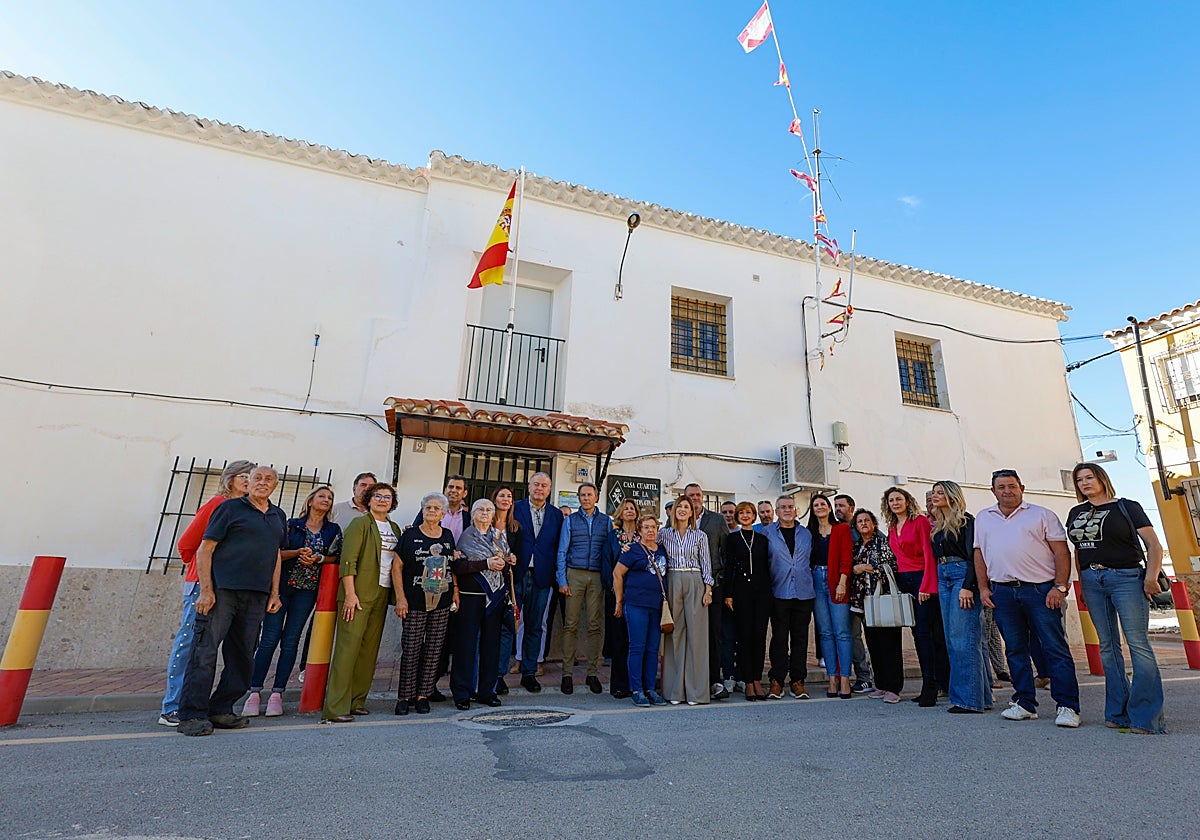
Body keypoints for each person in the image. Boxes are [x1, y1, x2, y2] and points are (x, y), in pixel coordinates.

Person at [177, 466, 285, 736]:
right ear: (247, 482)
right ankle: (192, 714)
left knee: (243, 656)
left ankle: (222, 709)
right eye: (256, 478)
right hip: (222, 591)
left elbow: (276, 556)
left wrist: (274, 593)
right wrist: (206, 590)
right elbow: (206, 548)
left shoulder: (278, 515)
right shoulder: (229, 508)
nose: (262, 483)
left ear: (275, 484)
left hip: (257, 595)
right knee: (205, 652)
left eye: (268, 479)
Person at [975, 469, 1080, 727]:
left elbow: (1061, 552)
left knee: (1054, 647)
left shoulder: (1042, 514)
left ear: (1022, 487)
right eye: (1001, 487)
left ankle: (1067, 706)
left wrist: (1060, 587)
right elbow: (979, 553)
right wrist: (983, 588)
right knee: (1015, 648)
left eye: (1012, 486)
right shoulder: (983, 517)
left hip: (1041, 591)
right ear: (993, 491)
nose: (1007, 491)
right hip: (1002, 591)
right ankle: (1024, 703)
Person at [1068, 462, 1166, 734]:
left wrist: (1150, 577)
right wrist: (1083, 584)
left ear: (1101, 479)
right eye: (1079, 480)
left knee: (1138, 645)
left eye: (1089, 477)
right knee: (1108, 648)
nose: (1085, 483)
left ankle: (1146, 718)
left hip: (1126, 578)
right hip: (1092, 580)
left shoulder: (1126, 506)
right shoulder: (1076, 512)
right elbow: (1078, 551)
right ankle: (1117, 713)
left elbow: (1154, 545)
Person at [159, 459, 254, 727]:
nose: (247, 480)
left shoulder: (248, 509)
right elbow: (188, 545)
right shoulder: (216, 504)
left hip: (228, 587)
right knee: (189, 644)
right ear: (230, 478)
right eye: (242, 476)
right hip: (203, 584)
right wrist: (201, 573)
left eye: (251, 475)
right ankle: (172, 706)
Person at [243, 485, 341, 718]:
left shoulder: (332, 529)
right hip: (282, 588)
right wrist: (298, 552)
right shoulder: (291, 525)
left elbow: (336, 556)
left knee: (290, 642)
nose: (326, 500)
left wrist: (318, 558)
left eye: (329, 498)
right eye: (322, 496)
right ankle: (254, 691)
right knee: (269, 639)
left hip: (307, 592)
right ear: (310, 501)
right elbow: (275, 552)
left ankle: (277, 693)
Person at [322, 482, 402, 723]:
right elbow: (348, 560)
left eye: (387, 497)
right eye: (377, 496)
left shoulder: (395, 528)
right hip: (357, 595)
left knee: (368, 651)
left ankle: (357, 700)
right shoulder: (360, 523)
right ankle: (336, 707)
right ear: (368, 499)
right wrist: (349, 594)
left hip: (381, 593)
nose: (382, 500)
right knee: (348, 650)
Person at [883, 486, 948, 707]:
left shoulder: (919, 522)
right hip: (904, 581)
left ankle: (932, 684)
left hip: (922, 579)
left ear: (907, 501)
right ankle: (929, 682)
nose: (895, 503)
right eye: (891, 500)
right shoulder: (892, 526)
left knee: (925, 633)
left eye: (898, 499)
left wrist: (927, 586)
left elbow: (929, 556)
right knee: (917, 633)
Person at [393, 492, 457, 716]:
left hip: (441, 601)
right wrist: (400, 598)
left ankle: (423, 694)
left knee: (433, 648)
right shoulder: (410, 536)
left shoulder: (448, 535)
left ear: (443, 513)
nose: (432, 511)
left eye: (436, 508)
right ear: (423, 510)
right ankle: (405, 696)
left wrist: (455, 593)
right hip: (414, 601)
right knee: (411, 647)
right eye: (428, 507)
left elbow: (451, 567)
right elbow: (397, 567)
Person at [929, 480, 990, 714]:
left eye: (940, 492)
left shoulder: (967, 521)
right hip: (943, 576)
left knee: (964, 638)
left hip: (961, 576)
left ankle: (967, 700)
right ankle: (979, 697)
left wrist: (968, 585)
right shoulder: (938, 525)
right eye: (934, 492)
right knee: (953, 639)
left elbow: (975, 555)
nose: (935, 496)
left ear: (952, 495)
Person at [451, 498, 512, 711]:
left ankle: (487, 691)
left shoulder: (498, 536)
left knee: (491, 646)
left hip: (495, 598)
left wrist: (507, 562)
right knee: (466, 645)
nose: (485, 513)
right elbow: (459, 566)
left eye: (489, 510)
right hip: (471, 596)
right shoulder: (466, 536)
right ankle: (462, 693)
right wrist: (486, 563)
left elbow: (504, 565)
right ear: (473, 513)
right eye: (480, 509)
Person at [556, 483, 612, 695]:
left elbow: (608, 552)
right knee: (570, 625)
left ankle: (592, 673)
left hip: (596, 576)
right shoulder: (570, 520)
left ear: (596, 497)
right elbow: (562, 550)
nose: (586, 498)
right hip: (575, 574)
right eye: (582, 495)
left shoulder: (606, 521)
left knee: (594, 625)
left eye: (589, 495)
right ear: (578, 498)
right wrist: (562, 579)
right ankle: (567, 674)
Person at [511, 472, 564, 693]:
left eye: (544, 485)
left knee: (535, 626)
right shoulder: (515, 508)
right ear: (529, 486)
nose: (539, 489)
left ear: (549, 489)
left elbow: (559, 547)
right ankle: (497, 675)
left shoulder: (557, 515)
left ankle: (530, 672)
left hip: (542, 577)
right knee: (507, 626)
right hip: (517, 574)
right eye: (536, 484)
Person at [660, 495, 713, 704]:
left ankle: (696, 692)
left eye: (686, 507)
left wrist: (708, 590)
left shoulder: (700, 536)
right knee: (674, 635)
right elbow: (647, 548)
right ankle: (675, 691)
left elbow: (706, 564)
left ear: (692, 512)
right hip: (673, 578)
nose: (682, 509)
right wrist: (628, 547)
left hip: (694, 579)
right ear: (673, 512)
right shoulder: (664, 534)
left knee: (697, 637)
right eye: (679, 506)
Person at [613, 514, 670, 707]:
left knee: (653, 649)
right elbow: (617, 574)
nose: (650, 531)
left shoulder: (662, 550)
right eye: (646, 527)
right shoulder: (633, 550)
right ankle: (636, 689)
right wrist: (619, 601)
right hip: (636, 604)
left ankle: (650, 689)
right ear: (639, 530)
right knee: (637, 647)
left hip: (656, 606)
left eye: (653, 527)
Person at [763, 494, 815, 700]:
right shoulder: (767, 533)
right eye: (783, 507)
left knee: (800, 639)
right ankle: (776, 681)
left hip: (803, 593)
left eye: (790, 507)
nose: (787, 510)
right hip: (778, 592)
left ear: (796, 510)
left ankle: (798, 681)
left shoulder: (806, 534)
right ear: (776, 512)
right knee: (779, 638)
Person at [850, 509, 904, 703]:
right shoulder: (856, 545)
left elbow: (893, 567)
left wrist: (866, 568)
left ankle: (894, 688)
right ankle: (881, 685)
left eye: (867, 520)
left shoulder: (883, 542)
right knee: (873, 644)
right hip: (865, 602)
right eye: (859, 521)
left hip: (883, 599)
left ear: (873, 523)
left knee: (889, 644)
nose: (863, 523)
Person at [684, 483, 730, 700]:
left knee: (714, 633)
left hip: (714, 584)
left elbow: (726, 552)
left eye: (698, 495)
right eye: (690, 495)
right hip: (687, 583)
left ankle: (715, 680)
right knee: (689, 632)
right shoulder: (679, 518)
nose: (695, 498)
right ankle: (691, 679)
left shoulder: (717, 520)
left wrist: (722, 580)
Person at [807, 493, 854, 699]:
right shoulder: (808, 532)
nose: (820, 507)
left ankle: (845, 678)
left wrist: (842, 583)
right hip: (815, 580)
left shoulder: (841, 529)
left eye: (823, 504)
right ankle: (832, 677)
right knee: (825, 632)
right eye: (816, 504)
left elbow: (846, 558)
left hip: (837, 580)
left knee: (842, 632)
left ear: (829, 507)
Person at [724, 502, 772, 700]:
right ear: (737, 516)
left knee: (759, 637)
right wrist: (728, 593)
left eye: (749, 513)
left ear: (754, 516)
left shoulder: (762, 539)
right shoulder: (732, 539)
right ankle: (747, 681)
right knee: (744, 638)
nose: (745, 516)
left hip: (762, 592)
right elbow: (729, 567)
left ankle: (757, 680)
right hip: (740, 592)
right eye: (741, 513)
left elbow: (767, 565)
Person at [834, 493, 871, 693]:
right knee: (853, 635)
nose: (837, 508)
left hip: (870, 593)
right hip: (849, 593)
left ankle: (878, 678)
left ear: (851, 507)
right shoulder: (837, 530)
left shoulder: (865, 529)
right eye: (836, 505)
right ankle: (863, 677)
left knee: (874, 636)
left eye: (841, 505)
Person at [604, 499, 640, 699]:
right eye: (625, 508)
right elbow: (607, 563)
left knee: (636, 640)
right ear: (620, 513)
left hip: (638, 594)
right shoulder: (612, 536)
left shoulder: (642, 536)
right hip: (616, 594)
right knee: (619, 640)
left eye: (632, 508)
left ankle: (637, 684)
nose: (629, 511)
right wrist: (614, 590)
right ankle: (619, 685)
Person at [491, 485, 522, 696]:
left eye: (509, 496)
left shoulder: (515, 527)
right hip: (484, 582)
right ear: (494, 499)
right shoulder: (484, 521)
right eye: (502, 495)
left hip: (506, 583)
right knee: (486, 630)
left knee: (506, 630)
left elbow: (517, 553)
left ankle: (500, 675)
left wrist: (513, 559)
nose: (505, 499)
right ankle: (484, 673)